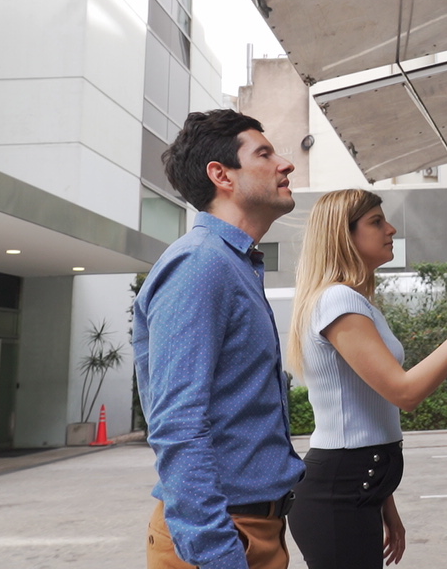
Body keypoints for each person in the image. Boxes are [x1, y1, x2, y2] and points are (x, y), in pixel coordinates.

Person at [133, 109, 305, 569]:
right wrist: (217, 553)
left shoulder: (234, 264)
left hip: (253, 528)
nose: (285, 164)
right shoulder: (201, 264)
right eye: (265, 153)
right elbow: (177, 423)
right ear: (221, 175)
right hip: (220, 539)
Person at [285, 189, 447, 569]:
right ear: (343, 236)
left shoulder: (356, 302)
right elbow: (404, 392)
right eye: (376, 222)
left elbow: (368, 414)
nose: (391, 229)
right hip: (339, 493)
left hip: (358, 490)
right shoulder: (337, 301)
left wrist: (384, 504)